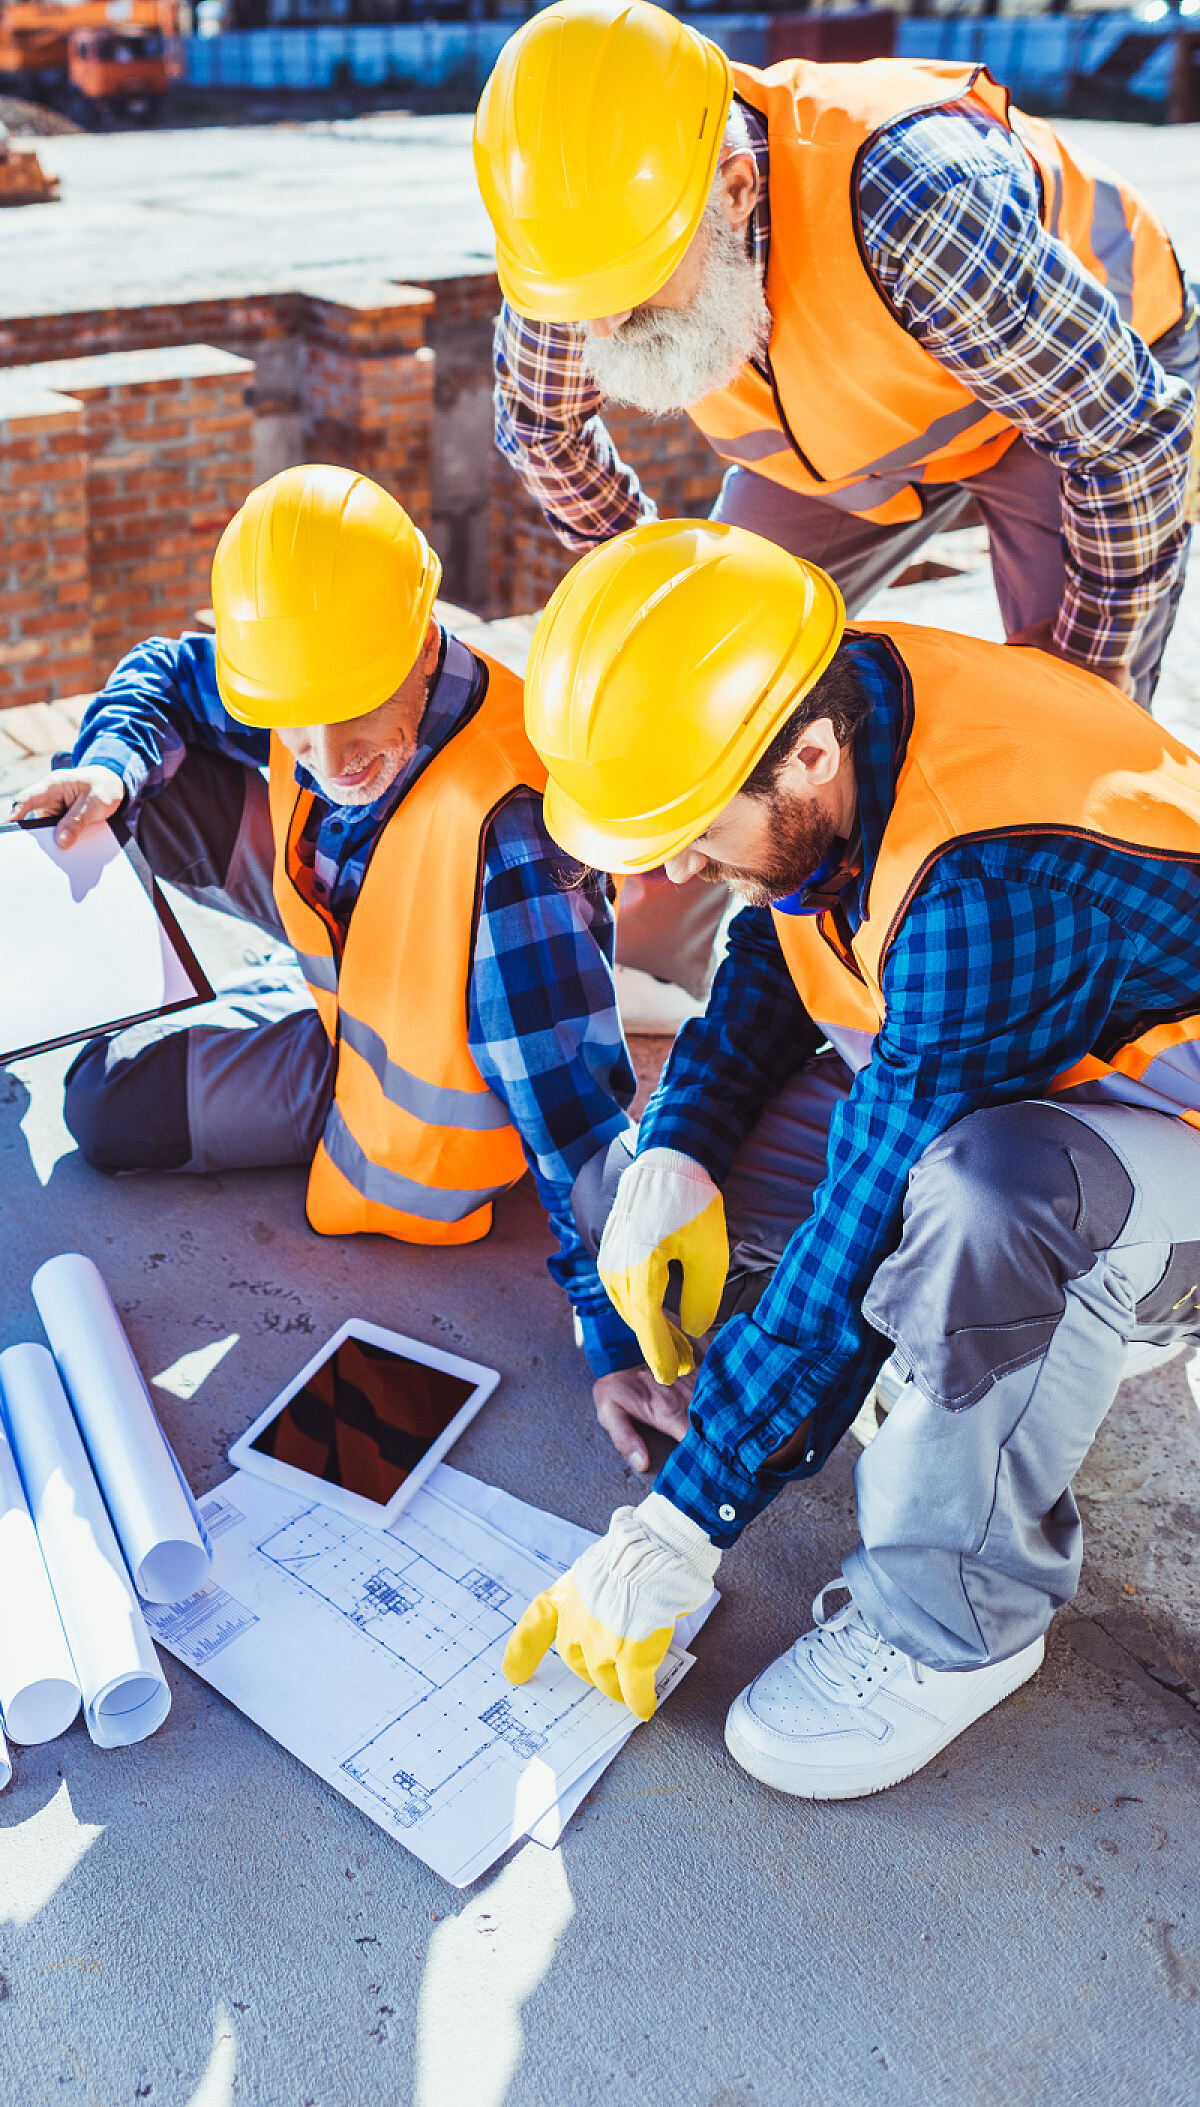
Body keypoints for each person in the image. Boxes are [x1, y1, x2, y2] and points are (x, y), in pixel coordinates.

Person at [501, 516, 1200, 1802]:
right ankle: (874, 1388)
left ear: (810, 755)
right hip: (1042, 1071)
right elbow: (779, 952)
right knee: (709, 1181)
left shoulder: (979, 884)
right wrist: (684, 1146)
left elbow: (871, 1213)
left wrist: (684, 1519)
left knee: (984, 1199)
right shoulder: (818, 704)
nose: (663, 865)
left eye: (686, 827)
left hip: (1173, 1170)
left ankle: (958, 1624)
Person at [0, 465, 644, 1303]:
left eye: (356, 705)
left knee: (103, 1105)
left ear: (423, 637)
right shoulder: (310, 664)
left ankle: (290, 1003)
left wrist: (611, 1318)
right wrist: (107, 769)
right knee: (125, 786)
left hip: (403, 1094)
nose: (329, 761)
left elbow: (573, 1110)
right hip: (353, 947)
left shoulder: (511, 827)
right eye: (297, 716)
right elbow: (166, 674)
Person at [479, 0, 1198, 710]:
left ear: (734, 190)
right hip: (857, 436)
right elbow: (543, 425)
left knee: (1065, 715)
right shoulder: (571, 238)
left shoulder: (912, 202)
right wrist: (646, 575)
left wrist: (1095, 680)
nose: (599, 327)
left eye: (633, 283)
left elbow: (1130, 442)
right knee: (717, 668)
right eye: (580, 297)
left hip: (1073, 400)